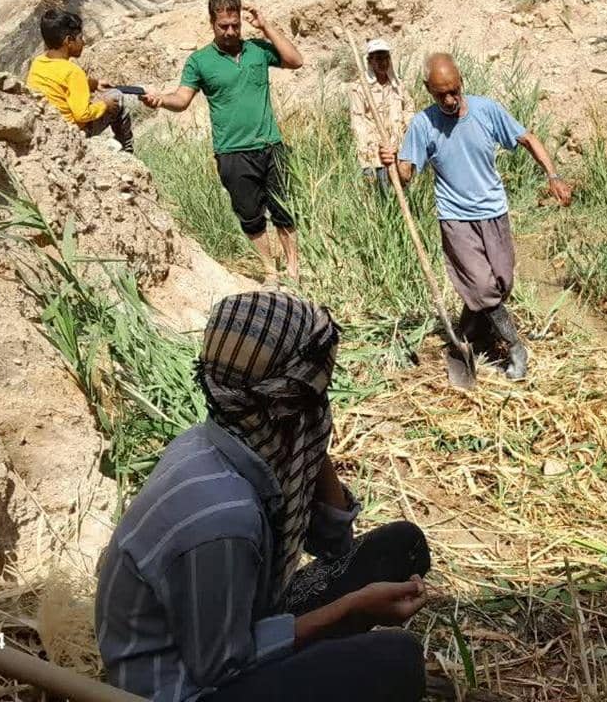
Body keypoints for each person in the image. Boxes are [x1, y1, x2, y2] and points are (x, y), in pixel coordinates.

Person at [95, 291, 431, 702]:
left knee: (402, 545)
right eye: (317, 393)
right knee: (397, 660)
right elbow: (220, 666)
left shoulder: (228, 440)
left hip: (243, 621)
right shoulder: (221, 517)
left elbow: (332, 544)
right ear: (289, 404)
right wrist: (352, 609)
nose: (324, 408)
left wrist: (310, 437)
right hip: (186, 687)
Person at [380, 53, 572, 381]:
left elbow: (527, 138)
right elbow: (407, 173)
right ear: (428, 89)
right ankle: (514, 347)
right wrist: (393, 160)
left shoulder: (486, 110)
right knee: (482, 285)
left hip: (494, 211)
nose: (450, 99)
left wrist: (553, 175)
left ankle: (469, 331)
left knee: (501, 283)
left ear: (461, 82)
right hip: (455, 217)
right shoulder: (423, 124)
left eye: (454, 90)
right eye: (441, 94)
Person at [143, 0, 305, 284]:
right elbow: (182, 99)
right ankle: (270, 270)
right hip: (232, 152)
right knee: (250, 215)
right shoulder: (200, 61)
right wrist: (161, 100)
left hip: (271, 145)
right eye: (223, 26)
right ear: (212, 23)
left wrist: (265, 26)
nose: (230, 31)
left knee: (284, 209)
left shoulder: (257, 49)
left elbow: (295, 61)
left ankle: (293, 269)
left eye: (235, 25)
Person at [26, 9, 134, 153]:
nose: (84, 42)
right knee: (116, 97)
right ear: (68, 41)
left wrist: (94, 84)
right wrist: (104, 105)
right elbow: (82, 115)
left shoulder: (38, 62)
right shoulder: (73, 72)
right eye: (80, 38)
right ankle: (127, 150)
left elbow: (60, 82)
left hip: (49, 130)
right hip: (73, 133)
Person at [348, 38, 410, 192]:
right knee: (381, 197)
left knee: (402, 192)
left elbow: (409, 108)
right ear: (370, 61)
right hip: (375, 155)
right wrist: (370, 151)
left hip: (398, 151)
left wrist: (404, 129)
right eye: (378, 58)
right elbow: (358, 122)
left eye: (385, 57)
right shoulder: (359, 88)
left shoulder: (398, 85)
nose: (382, 62)